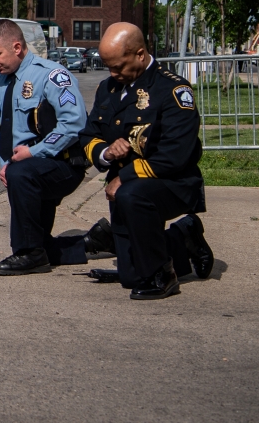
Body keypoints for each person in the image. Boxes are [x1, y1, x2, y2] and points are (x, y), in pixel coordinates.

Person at [80, 22, 214, 300]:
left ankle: (162, 275)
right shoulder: (108, 88)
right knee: (130, 276)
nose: (112, 73)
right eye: (108, 66)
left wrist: (124, 176)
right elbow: (89, 134)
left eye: (117, 66)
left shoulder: (173, 90)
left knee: (132, 194)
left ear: (140, 54)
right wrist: (107, 151)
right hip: (125, 190)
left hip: (171, 183)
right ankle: (183, 237)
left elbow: (175, 155)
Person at [0, 19, 110, 276]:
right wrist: (4, 164)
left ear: (17, 47)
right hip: (26, 171)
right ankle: (96, 241)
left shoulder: (52, 75)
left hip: (60, 165)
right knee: (43, 243)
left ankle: (28, 254)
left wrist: (33, 152)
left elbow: (74, 123)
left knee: (21, 175)